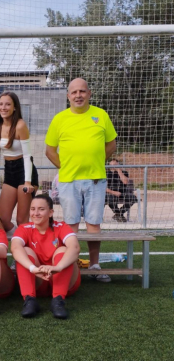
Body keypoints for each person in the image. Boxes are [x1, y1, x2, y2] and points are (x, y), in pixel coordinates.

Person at [45, 78, 117, 283]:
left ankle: (94, 265)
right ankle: (72, 265)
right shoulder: (60, 119)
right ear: (68, 96)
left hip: (96, 179)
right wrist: (66, 168)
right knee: (71, 225)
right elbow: (50, 151)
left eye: (82, 91)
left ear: (89, 93)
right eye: (74, 92)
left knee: (94, 223)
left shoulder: (100, 115)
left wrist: (97, 161)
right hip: (68, 181)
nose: (78, 95)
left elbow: (112, 144)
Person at [11, 194, 80, 319]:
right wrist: (33, 269)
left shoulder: (62, 227)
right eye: (33, 209)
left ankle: (58, 301)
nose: (36, 213)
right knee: (24, 251)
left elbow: (75, 248)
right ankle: (29, 300)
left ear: (50, 212)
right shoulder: (24, 228)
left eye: (41, 209)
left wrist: (58, 267)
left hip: (64, 280)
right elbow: (15, 248)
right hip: (39, 279)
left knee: (63, 250)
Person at [0, 91, 39, 237]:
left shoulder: (20, 125)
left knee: (22, 219)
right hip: (9, 172)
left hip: (25, 172)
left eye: (8, 104)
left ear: (15, 107)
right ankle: (22, 239)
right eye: (1, 104)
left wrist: (28, 182)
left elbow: (28, 155)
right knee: (2, 220)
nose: (4, 107)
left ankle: (24, 254)